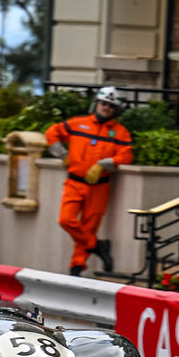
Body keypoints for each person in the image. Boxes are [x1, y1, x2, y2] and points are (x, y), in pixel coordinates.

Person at [45, 86, 133, 277]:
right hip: (74, 183)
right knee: (66, 220)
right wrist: (62, 154)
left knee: (88, 226)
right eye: (103, 103)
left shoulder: (120, 132)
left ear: (115, 109)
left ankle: (76, 267)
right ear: (96, 104)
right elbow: (52, 133)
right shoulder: (78, 124)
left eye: (110, 106)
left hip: (99, 187)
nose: (106, 108)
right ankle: (97, 246)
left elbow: (126, 156)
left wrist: (105, 164)